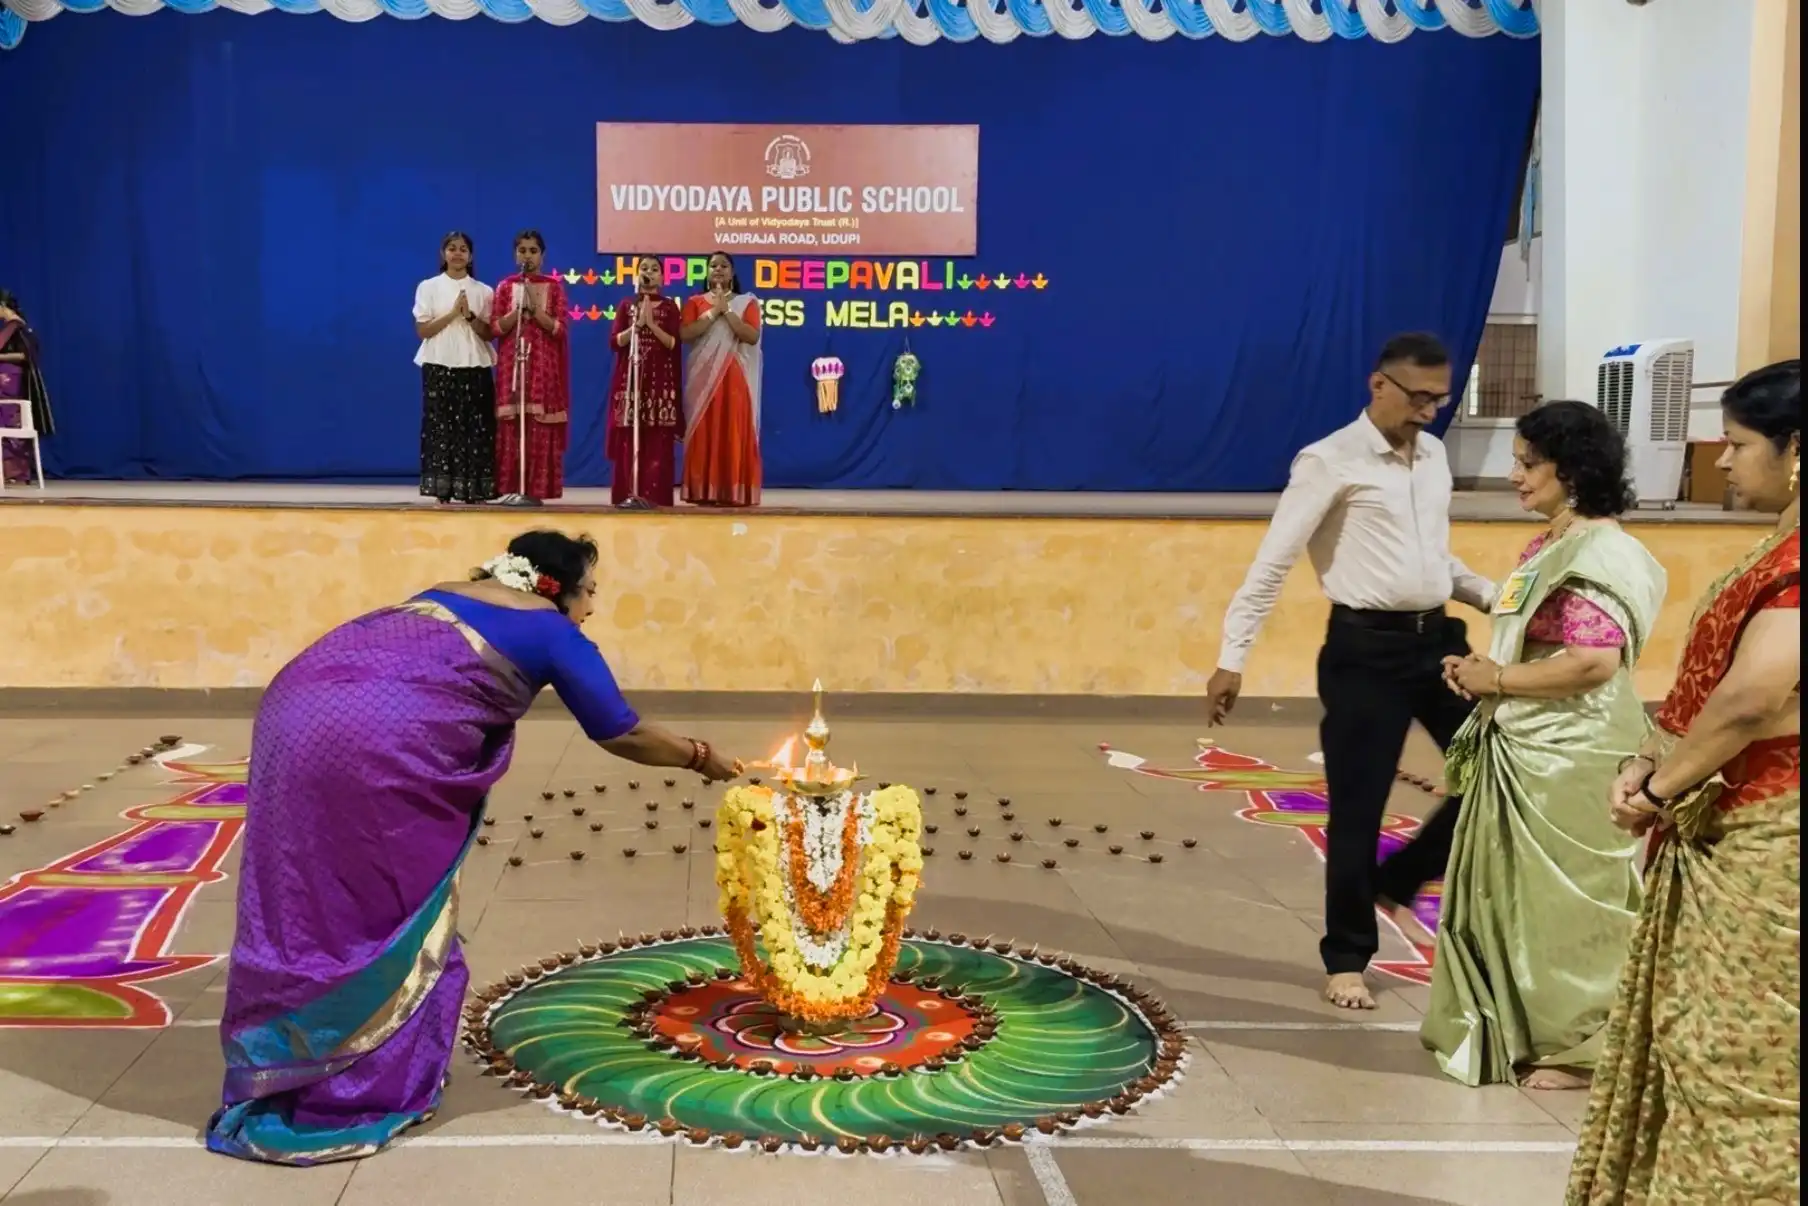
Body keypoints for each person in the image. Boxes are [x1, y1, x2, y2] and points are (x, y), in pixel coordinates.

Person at [206, 529, 745, 1166]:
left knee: (310, 893)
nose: (592, 607)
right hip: (377, 746)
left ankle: (286, 1062)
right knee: (395, 911)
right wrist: (704, 759)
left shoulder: (436, 597)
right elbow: (619, 730)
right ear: (556, 586)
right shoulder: (551, 630)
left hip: (290, 716)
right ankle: (351, 1093)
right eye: (591, 592)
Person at [1206, 332, 1496, 1011]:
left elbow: (1437, 564)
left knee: (1495, 764)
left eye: (1440, 398)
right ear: (1379, 386)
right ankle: (1347, 958)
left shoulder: (1433, 458)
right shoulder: (1329, 461)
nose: (1429, 411)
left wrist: (1507, 596)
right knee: (1358, 809)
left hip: (1439, 643)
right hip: (1363, 653)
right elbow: (1273, 561)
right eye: (1418, 397)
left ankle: (1402, 877)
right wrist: (1232, 657)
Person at [1568, 360, 1800, 1205]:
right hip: (1726, 820)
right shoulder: (1781, 543)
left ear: (1796, 449)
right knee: (1693, 1041)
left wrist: (1660, 788)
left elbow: (1753, 698)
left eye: (1739, 445)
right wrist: (1651, 762)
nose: (1726, 462)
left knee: (1738, 1058)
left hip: (1769, 838)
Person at [1420, 400, 1666, 1091]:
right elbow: (1543, 642)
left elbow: (1593, 664)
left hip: (1571, 752)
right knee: (1517, 901)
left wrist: (1497, 677)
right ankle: (1518, 1028)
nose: (1514, 475)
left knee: (1568, 907)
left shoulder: (1601, 551)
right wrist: (1485, 675)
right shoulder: (1554, 543)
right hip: (1528, 739)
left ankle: (1582, 1047)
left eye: (1528, 463)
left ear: (1574, 468)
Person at [414, 232, 496, 504]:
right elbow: (423, 330)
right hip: (439, 363)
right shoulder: (428, 287)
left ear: (470, 256)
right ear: (443, 254)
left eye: (463, 249)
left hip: (474, 364)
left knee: (476, 426)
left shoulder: (484, 291)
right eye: (452, 248)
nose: (457, 253)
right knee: (441, 426)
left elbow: (488, 333)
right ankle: (442, 490)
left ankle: (474, 488)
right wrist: (452, 313)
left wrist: (469, 315)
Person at [492, 230, 570, 503]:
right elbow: (495, 328)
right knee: (512, 424)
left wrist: (536, 311)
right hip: (511, 365)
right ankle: (510, 489)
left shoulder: (555, 287)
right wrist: (517, 311)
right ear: (515, 255)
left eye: (533, 250)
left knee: (538, 424)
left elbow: (560, 329)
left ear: (542, 255)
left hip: (543, 367)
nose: (527, 255)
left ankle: (536, 491)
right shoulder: (504, 287)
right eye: (522, 250)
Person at [680, 252, 763, 507]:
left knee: (732, 429)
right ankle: (703, 490)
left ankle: (733, 491)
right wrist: (711, 312)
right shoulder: (695, 302)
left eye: (724, 266)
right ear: (706, 272)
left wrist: (726, 311)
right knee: (705, 428)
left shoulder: (746, 303)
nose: (718, 269)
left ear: (732, 273)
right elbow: (686, 333)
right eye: (713, 265)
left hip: (735, 377)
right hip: (703, 379)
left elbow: (751, 336)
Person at [607, 255, 681, 508]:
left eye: (654, 269)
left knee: (658, 441)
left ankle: (655, 497)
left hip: (660, 382)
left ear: (662, 277)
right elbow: (615, 341)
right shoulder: (627, 304)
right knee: (630, 439)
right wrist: (636, 327)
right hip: (630, 381)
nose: (649, 273)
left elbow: (673, 343)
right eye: (644, 269)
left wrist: (650, 324)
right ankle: (628, 494)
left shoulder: (670, 307)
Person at [0, 289, 52, 486]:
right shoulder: (12, 328)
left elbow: (24, 356)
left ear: (3, 307)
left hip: (10, 382)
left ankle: (13, 471)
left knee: (9, 424)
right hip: (6, 382)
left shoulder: (18, 328)